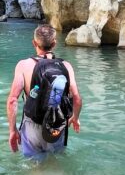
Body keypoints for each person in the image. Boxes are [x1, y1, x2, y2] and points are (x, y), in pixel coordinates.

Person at [6, 24, 82, 159]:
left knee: (35, 166)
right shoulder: (66, 66)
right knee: (56, 162)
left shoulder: (23, 65)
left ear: (34, 43)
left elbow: (12, 101)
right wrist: (75, 118)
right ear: (54, 43)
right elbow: (76, 98)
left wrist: (12, 130)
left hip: (32, 125)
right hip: (57, 124)